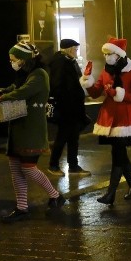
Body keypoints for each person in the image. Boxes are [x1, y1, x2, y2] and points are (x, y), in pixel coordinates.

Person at [0, 42, 65, 222]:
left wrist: (3, 98)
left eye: (14, 59)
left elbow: (24, 92)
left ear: (24, 59)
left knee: (28, 168)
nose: (12, 62)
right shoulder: (24, 74)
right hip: (18, 128)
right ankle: (22, 207)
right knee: (16, 168)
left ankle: (55, 195)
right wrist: (1, 91)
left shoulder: (39, 74)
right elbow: (15, 87)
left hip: (31, 129)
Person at [80, 37, 131, 205]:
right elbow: (95, 93)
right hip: (109, 119)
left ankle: (111, 193)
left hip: (124, 120)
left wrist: (120, 94)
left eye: (110, 54)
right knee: (120, 155)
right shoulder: (106, 71)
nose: (107, 57)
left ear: (119, 55)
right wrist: (88, 82)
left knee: (118, 155)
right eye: (105, 54)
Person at [48, 38, 90, 175]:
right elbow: (57, 85)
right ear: (69, 49)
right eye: (75, 49)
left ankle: (73, 165)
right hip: (66, 107)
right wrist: (66, 101)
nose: (77, 51)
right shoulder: (61, 62)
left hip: (74, 107)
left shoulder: (69, 61)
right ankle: (53, 165)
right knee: (62, 136)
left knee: (73, 137)